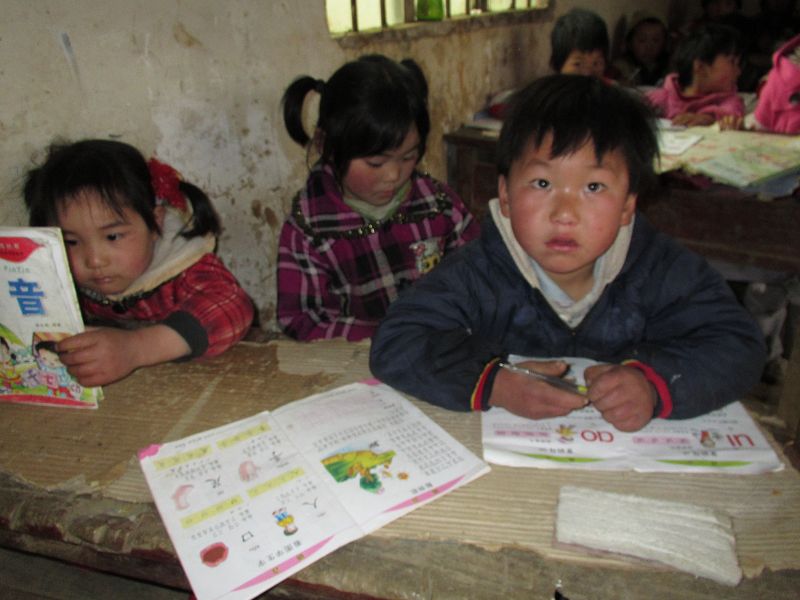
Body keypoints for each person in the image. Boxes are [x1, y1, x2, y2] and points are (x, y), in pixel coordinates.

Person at [370, 74, 765, 432]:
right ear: (505, 194)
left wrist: (654, 384)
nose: (564, 214)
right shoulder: (478, 273)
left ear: (628, 204)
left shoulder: (660, 269)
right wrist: (494, 383)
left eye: (593, 187)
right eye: (542, 183)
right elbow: (397, 340)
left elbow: (737, 344)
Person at [277, 54, 479, 342]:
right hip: (358, 361)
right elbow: (302, 320)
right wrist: (388, 334)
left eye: (408, 157)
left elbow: (480, 275)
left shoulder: (439, 206)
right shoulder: (309, 230)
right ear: (326, 145)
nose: (394, 175)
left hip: (443, 348)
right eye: (375, 163)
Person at [23, 139, 254, 386]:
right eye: (71, 242)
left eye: (113, 236)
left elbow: (233, 307)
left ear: (155, 223)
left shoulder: (185, 269)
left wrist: (136, 349)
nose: (95, 260)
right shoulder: (64, 278)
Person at [646, 24, 745, 129]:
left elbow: (732, 116)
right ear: (701, 67)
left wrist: (710, 120)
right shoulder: (659, 99)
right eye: (732, 62)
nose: (739, 72)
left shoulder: (730, 101)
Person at [550, 8, 613, 79]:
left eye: (596, 64)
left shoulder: (609, 85)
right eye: (578, 64)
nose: (588, 74)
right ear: (558, 65)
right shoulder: (547, 86)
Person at [612, 11, 671, 87]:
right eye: (642, 40)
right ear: (629, 43)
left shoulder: (668, 66)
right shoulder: (623, 66)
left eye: (656, 40)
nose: (649, 47)